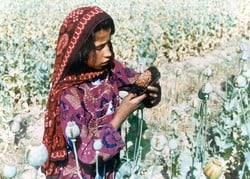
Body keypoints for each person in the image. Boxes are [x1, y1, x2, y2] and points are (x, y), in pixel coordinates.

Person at [41, 6, 161, 179]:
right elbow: (87, 154)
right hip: (81, 174)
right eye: (99, 47)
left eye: (109, 43)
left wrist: (151, 88)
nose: (109, 53)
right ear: (79, 51)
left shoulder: (110, 69)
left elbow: (136, 81)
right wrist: (121, 114)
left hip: (107, 167)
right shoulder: (69, 94)